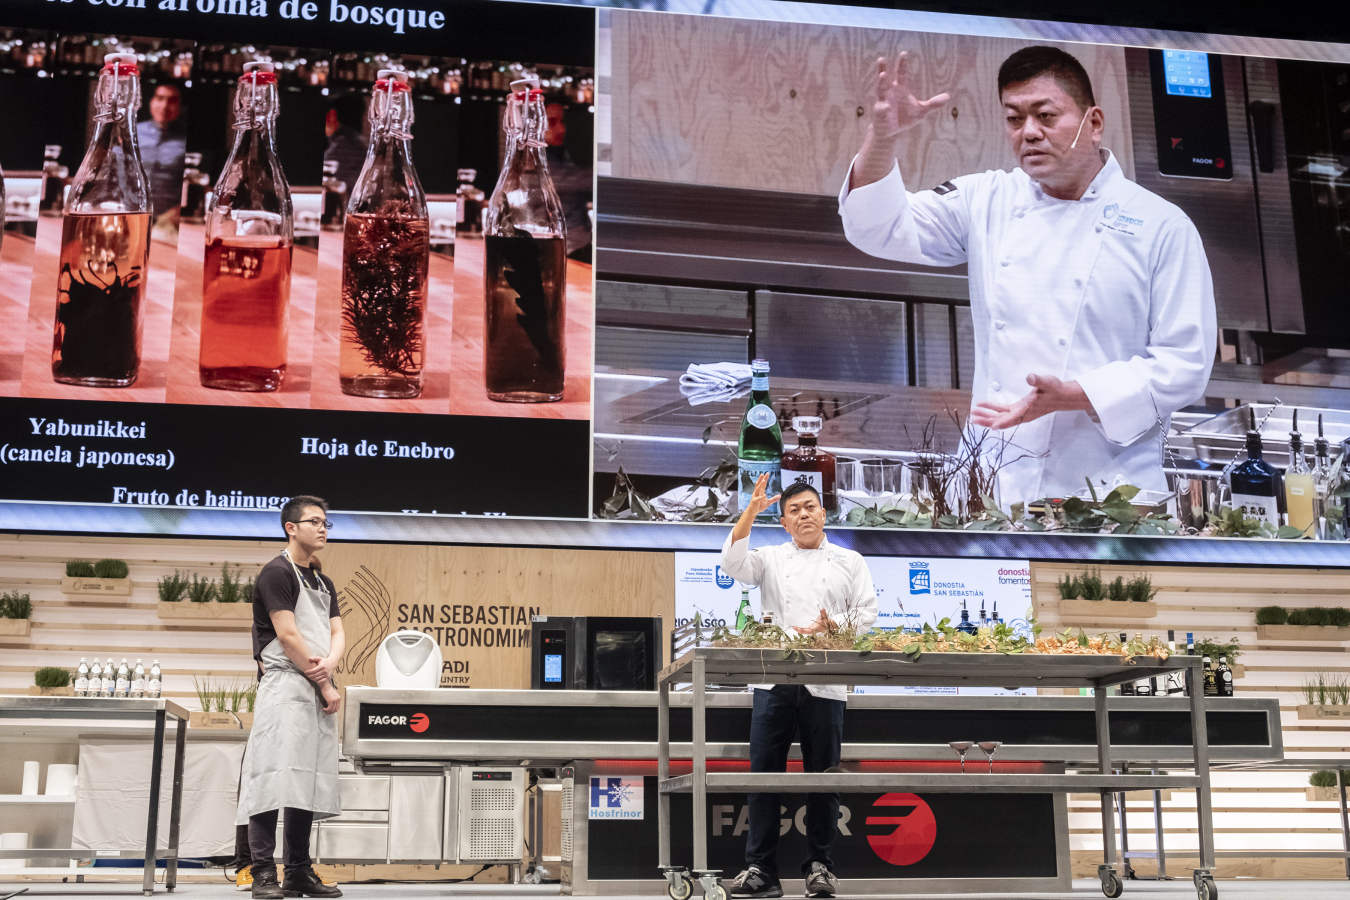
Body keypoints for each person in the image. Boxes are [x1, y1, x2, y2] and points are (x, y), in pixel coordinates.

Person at [839, 46, 1217, 508]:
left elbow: (1185, 364)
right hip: (992, 492)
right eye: (1014, 119)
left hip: (1110, 494)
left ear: (1094, 122)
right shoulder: (987, 199)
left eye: (1046, 116)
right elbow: (879, 228)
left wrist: (1075, 395)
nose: (1029, 133)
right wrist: (883, 137)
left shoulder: (1160, 225)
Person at [719, 475, 878, 899]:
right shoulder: (770, 558)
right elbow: (732, 564)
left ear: (823, 514)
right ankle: (761, 870)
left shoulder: (850, 560)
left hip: (826, 682)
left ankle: (820, 868)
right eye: (794, 510)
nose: (803, 514)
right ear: (784, 522)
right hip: (773, 680)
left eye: (810, 507)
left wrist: (833, 626)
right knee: (763, 778)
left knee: (824, 778)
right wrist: (750, 511)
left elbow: (867, 613)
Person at [236, 495, 345, 899]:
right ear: (291, 528)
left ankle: (298, 871)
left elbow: (337, 631)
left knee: (306, 781)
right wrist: (324, 682)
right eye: (314, 521)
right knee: (269, 778)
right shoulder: (276, 573)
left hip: (315, 686)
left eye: (325, 522)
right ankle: (264, 873)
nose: (322, 528)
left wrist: (329, 665)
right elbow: (287, 635)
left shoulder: (323, 581)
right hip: (284, 686)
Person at [136, 82, 187, 239]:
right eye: (160, 98)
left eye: (172, 101)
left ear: (180, 106)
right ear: (151, 101)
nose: (164, 106)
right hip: (131, 213)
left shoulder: (184, 139)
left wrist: (177, 213)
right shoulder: (132, 132)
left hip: (168, 221)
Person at [543, 97, 593, 259]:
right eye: (552, 122)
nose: (561, 129)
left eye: (562, 122)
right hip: (561, 248)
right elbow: (567, 181)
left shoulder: (560, 154)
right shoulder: (531, 159)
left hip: (577, 244)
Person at [324, 93, 368, 203]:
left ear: (332, 116)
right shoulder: (357, 143)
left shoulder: (343, 145)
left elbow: (336, 187)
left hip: (344, 205)